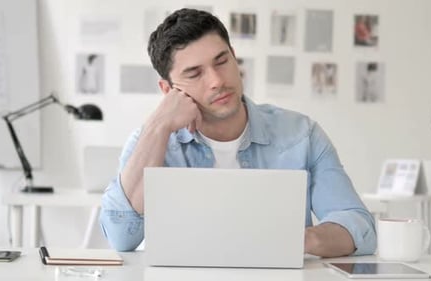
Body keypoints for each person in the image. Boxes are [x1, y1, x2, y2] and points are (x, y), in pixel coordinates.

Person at [100, 8, 376, 257]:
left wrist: (298, 239)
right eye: (195, 74)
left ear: (234, 57)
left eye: (222, 61)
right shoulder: (150, 141)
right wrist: (159, 125)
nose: (217, 81)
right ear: (168, 89)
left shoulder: (301, 135)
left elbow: (359, 226)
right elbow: (121, 237)